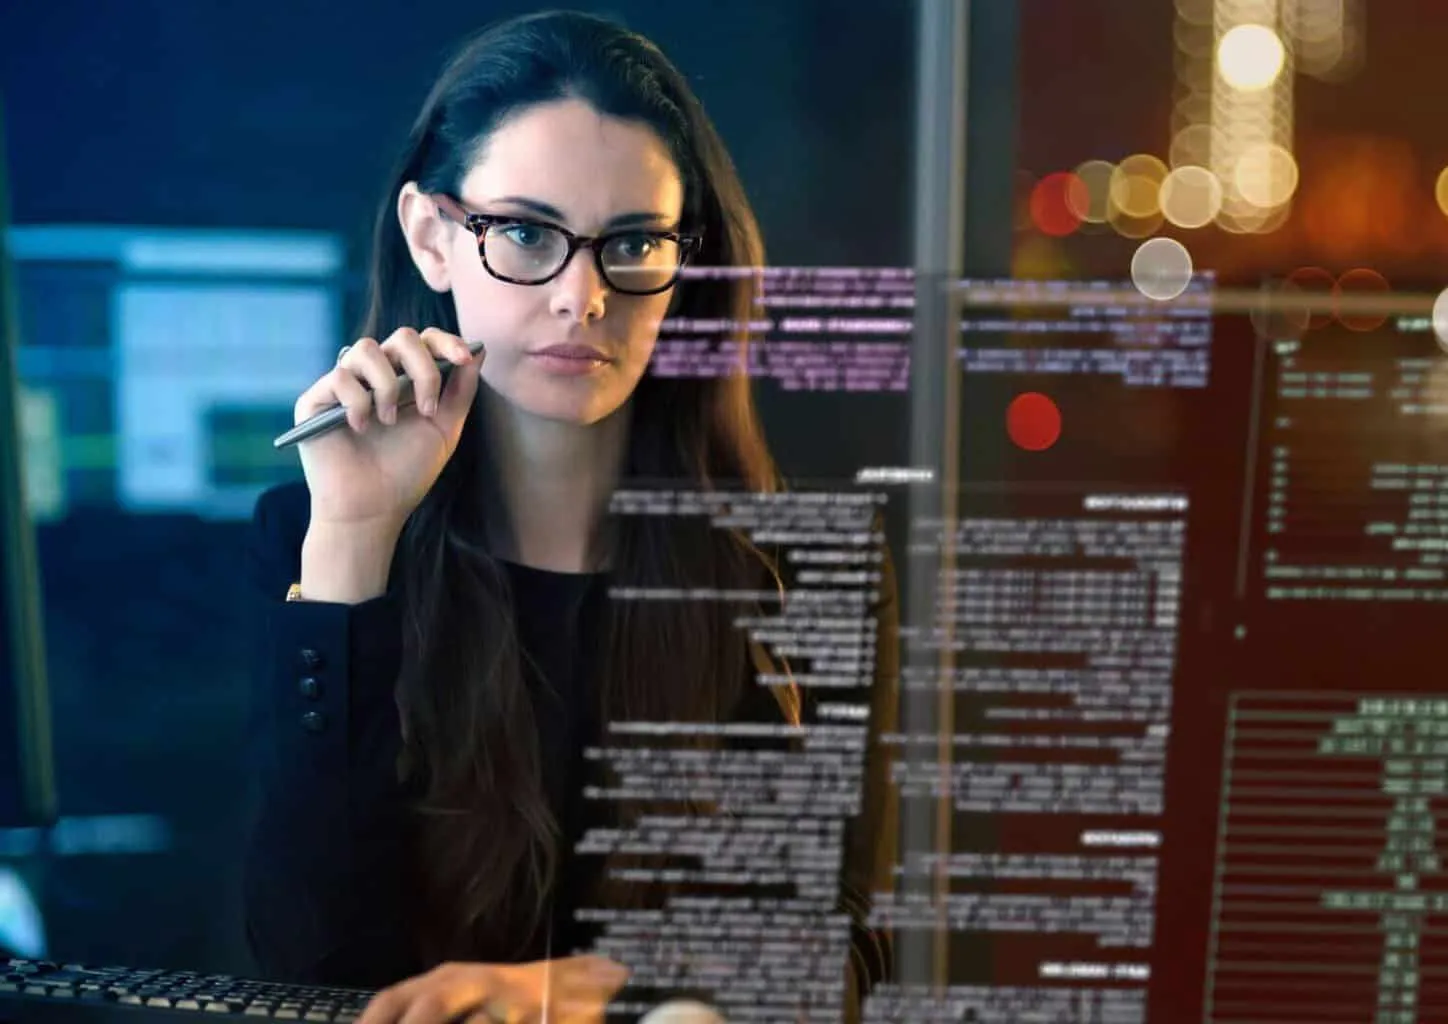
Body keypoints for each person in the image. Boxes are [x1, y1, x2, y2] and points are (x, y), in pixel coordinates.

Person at [242, 9, 899, 1023]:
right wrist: (355, 538)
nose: (582, 297)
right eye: (523, 232)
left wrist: (580, 998)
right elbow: (297, 960)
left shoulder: (800, 569)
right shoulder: (312, 534)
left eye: (632, 242)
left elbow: (837, 944)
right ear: (432, 237)